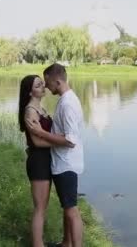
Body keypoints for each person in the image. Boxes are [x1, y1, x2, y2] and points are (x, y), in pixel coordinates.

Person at [27, 64, 84, 247]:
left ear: (57, 81)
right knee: (67, 208)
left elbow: (70, 140)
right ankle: (66, 243)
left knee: (71, 211)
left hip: (66, 163)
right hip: (62, 162)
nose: (45, 85)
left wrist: (41, 133)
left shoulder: (67, 103)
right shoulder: (66, 99)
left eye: (47, 82)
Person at [18, 75, 75, 247]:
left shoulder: (40, 108)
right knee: (40, 208)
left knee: (44, 207)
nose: (43, 86)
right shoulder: (30, 111)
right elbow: (36, 142)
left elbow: (45, 136)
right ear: (30, 92)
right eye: (38, 85)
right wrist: (61, 141)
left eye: (42, 83)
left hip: (46, 159)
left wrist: (57, 140)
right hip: (38, 161)